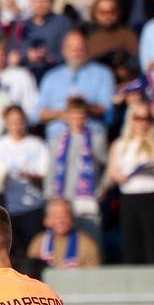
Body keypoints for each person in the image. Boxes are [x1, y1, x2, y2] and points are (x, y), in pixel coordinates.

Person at [0, 105, 50, 268]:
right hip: (6, 208)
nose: (16, 125)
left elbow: (45, 175)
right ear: (6, 123)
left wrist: (32, 177)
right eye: (12, 121)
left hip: (32, 207)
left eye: (19, 121)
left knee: (31, 253)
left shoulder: (37, 145)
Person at [107, 105, 154, 264]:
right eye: (138, 118)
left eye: (147, 118)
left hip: (152, 195)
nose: (143, 123)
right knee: (132, 241)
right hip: (130, 196)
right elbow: (112, 171)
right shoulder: (120, 144)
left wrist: (152, 144)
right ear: (131, 119)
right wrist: (122, 176)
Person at [45, 97, 107, 242]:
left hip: (87, 199)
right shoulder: (58, 141)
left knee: (90, 238)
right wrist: (50, 197)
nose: (77, 120)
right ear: (67, 117)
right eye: (73, 116)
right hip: (63, 199)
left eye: (81, 116)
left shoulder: (96, 139)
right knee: (63, 240)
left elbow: (108, 164)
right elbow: (51, 170)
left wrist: (102, 186)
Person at [37, 30, 115, 144]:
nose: (76, 52)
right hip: (58, 138)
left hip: (91, 137)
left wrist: (84, 106)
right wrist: (63, 114)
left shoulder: (102, 73)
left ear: (87, 50)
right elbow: (40, 114)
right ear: (64, 51)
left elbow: (107, 109)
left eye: (80, 48)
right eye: (72, 48)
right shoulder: (51, 77)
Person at [26, 197, 102, 271]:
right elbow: (31, 274)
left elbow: (93, 277)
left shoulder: (87, 244)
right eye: (55, 216)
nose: (60, 221)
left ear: (71, 219)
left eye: (64, 216)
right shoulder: (38, 243)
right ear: (46, 220)